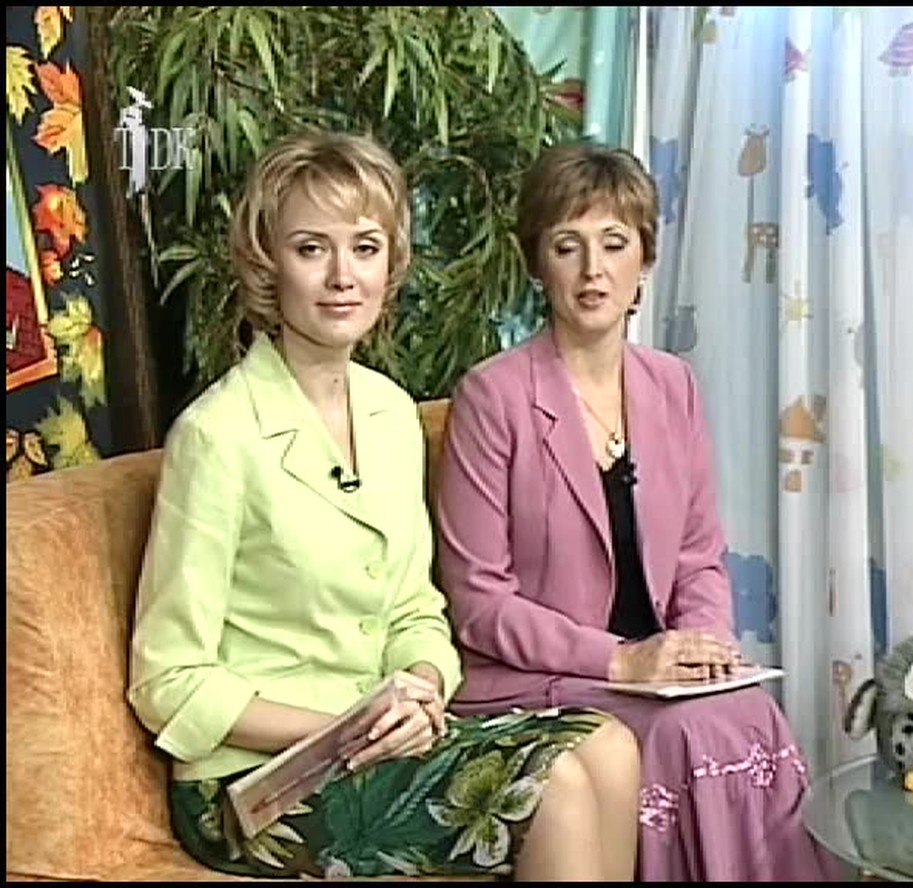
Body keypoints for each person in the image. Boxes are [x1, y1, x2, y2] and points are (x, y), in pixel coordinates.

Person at [127, 131, 641, 881]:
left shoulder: (391, 413)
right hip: (252, 782)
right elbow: (168, 679)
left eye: (365, 248)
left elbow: (415, 610)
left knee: (609, 744)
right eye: (312, 249)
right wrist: (346, 729)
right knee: (553, 786)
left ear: (390, 262)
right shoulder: (216, 436)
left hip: (377, 741)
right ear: (269, 263)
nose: (343, 277)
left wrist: (423, 687)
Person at [435, 142, 841, 881]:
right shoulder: (492, 397)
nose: (593, 270)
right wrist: (620, 660)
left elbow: (697, 556)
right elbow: (479, 604)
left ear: (645, 260)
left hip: (654, 672)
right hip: (538, 678)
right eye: (568, 246)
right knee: (688, 732)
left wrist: (705, 648)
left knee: (746, 712)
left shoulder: (673, 385)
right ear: (538, 264)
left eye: (614, 244)